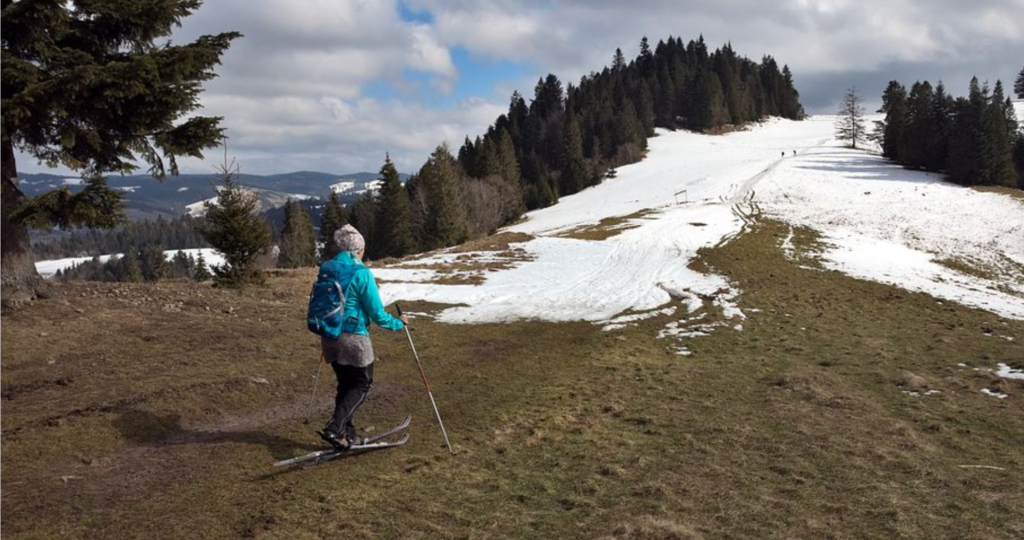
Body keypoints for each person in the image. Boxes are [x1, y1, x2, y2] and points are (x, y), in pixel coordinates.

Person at [316, 224, 407, 450]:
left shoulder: (327, 269)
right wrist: (399, 323)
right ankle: (335, 428)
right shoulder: (361, 273)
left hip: (329, 335)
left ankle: (347, 434)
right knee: (361, 384)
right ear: (358, 250)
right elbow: (377, 314)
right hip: (354, 338)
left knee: (345, 385)